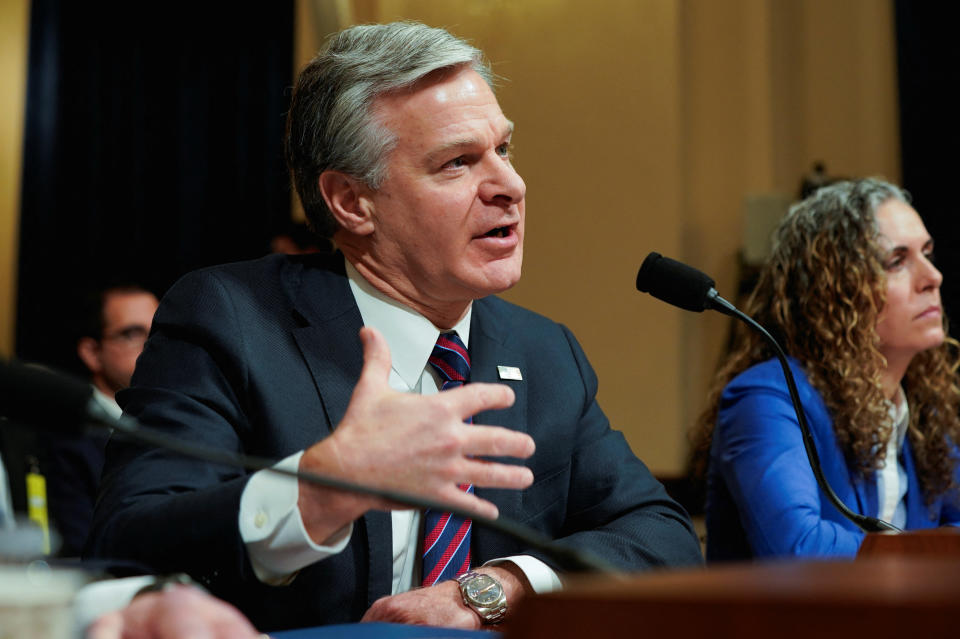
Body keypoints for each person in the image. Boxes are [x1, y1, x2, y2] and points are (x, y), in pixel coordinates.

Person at [87, 22, 702, 632]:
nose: (510, 186)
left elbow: (662, 538)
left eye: (504, 150)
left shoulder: (544, 354)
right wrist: (320, 491)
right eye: (458, 162)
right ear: (352, 202)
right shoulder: (233, 318)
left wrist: (499, 587)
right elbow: (129, 537)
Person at [695, 178, 960, 561]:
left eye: (927, 254)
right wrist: (924, 553)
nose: (932, 277)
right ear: (836, 291)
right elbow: (798, 548)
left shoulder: (923, 408)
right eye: (898, 261)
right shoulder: (766, 399)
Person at [43, 285, 159, 556]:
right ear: (92, 353)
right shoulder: (67, 439)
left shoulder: (189, 424)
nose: (152, 345)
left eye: (159, 331)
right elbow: (81, 548)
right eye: (132, 334)